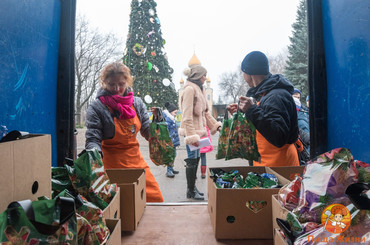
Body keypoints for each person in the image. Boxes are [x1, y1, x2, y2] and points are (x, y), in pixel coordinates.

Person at [85, 61, 164, 202]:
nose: (116, 89)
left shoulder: (137, 103)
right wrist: (93, 158)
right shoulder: (97, 107)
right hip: (110, 164)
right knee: (118, 203)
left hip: (135, 161)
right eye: (111, 84)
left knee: (155, 198)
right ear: (104, 83)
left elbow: (146, 130)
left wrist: (157, 126)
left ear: (127, 82)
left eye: (121, 84)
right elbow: (93, 138)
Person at [227, 51, 299, 167]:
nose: (243, 76)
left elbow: (279, 136)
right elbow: (262, 123)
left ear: (249, 73)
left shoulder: (276, 96)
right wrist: (243, 111)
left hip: (281, 167)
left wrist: (252, 110)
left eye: (243, 72)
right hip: (265, 165)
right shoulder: (262, 95)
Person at [180, 65, 222, 200]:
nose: (205, 77)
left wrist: (216, 125)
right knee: (192, 161)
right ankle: (190, 190)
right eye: (204, 75)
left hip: (199, 133)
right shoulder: (189, 89)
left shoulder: (199, 89)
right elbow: (186, 115)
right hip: (192, 133)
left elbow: (205, 113)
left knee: (196, 160)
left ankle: (193, 188)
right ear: (197, 75)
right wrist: (192, 136)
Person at [162, 101, 180, 178]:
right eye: (175, 113)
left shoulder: (172, 119)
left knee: (174, 155)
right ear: (170, 112)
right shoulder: (168, 120)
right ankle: (169, 171)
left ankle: (171, 168)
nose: (176, 114)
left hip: (173, 141)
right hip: (170, 142)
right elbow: (167, 131)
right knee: (170, 156)